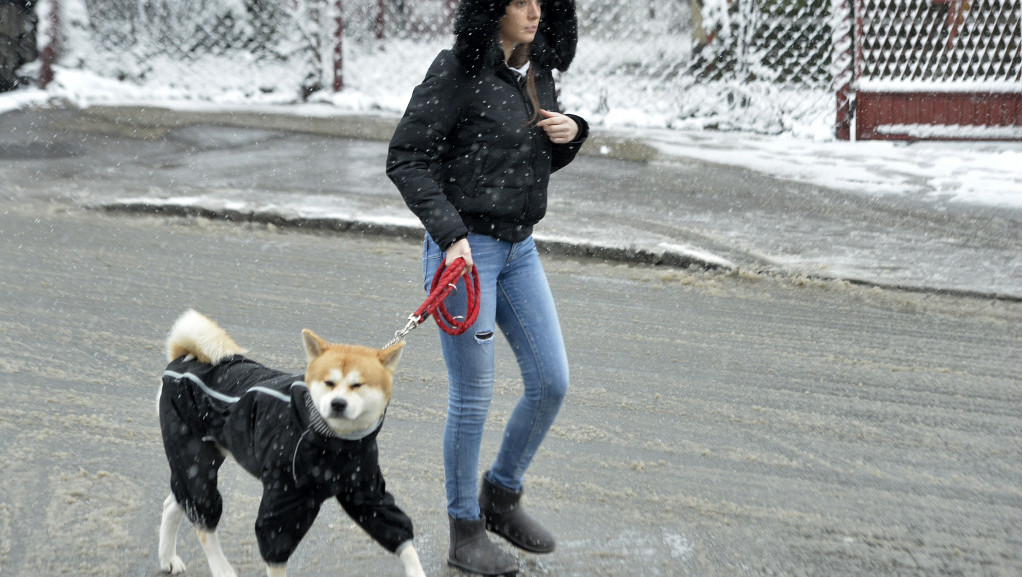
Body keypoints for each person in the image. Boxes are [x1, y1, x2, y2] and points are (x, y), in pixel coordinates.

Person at [386, 1, 586, 575]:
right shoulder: (456, 70)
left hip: (520, 250)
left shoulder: (535, 68)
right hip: (464, 253)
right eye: (520, 2)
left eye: (541, 2)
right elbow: (406, 157)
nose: (533, 13)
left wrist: (571, 134)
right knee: (472, 399)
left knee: (552, 381)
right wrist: (449, 235)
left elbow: (523, 158)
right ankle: (464, 530)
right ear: (490, 8)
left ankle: (501, 496)